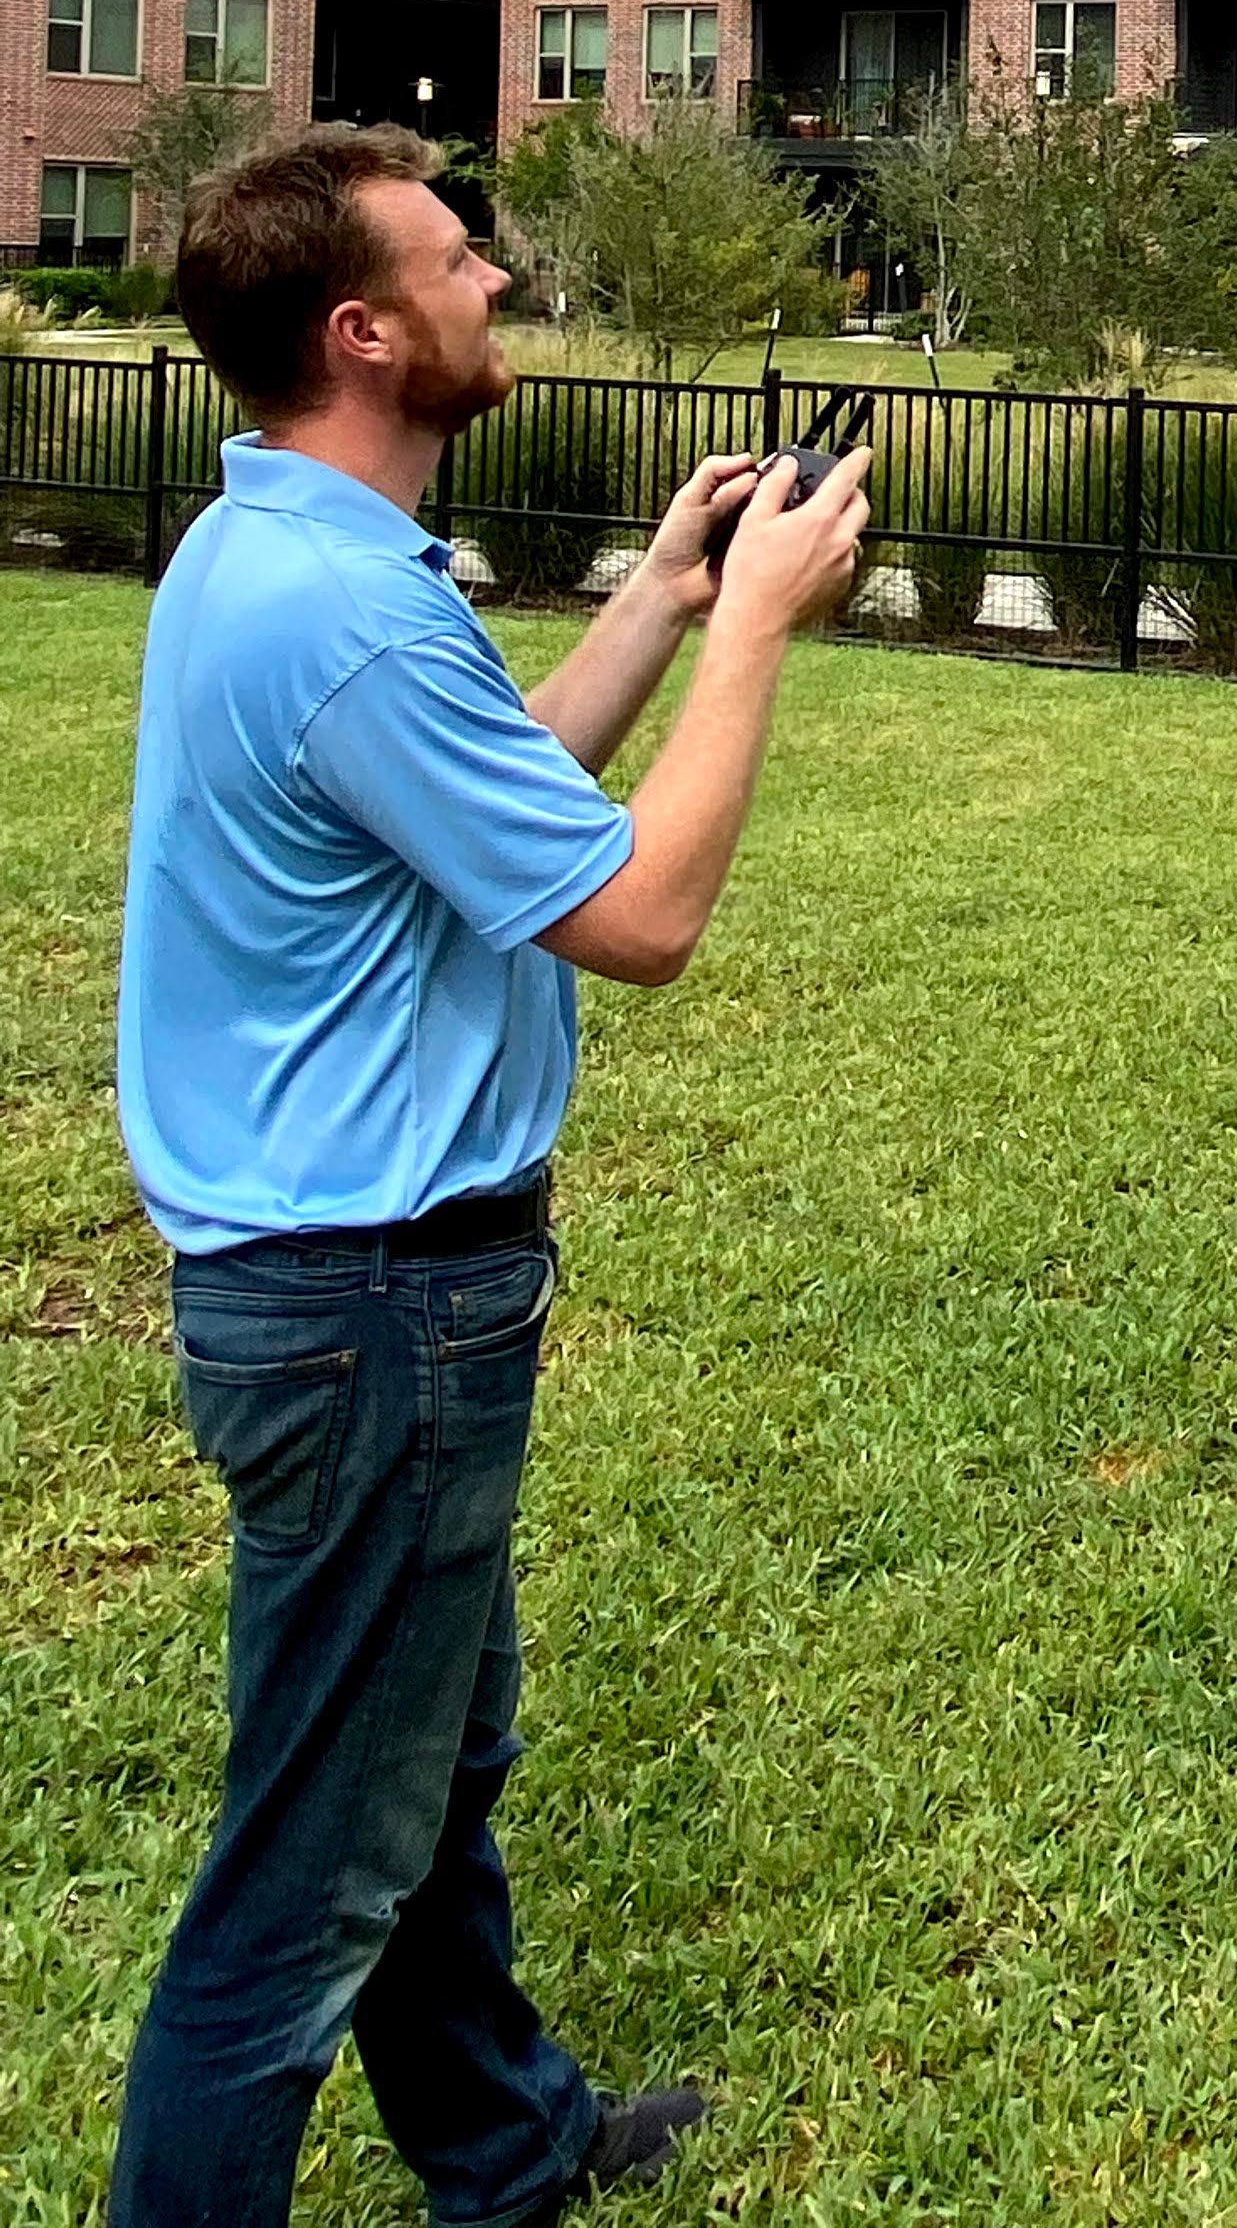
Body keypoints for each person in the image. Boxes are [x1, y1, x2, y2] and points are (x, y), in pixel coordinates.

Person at [109, 125, 870, 2228]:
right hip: (371, 1307)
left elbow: (491, 806)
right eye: (460, 264)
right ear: (364, 331)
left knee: (419, 1781)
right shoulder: (340, 612)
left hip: (353, 1294)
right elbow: (638, 915)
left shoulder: (293, 560)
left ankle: (507, 2149)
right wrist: (759, 640)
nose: (496, 285)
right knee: (310, 1876)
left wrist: (660, 593)